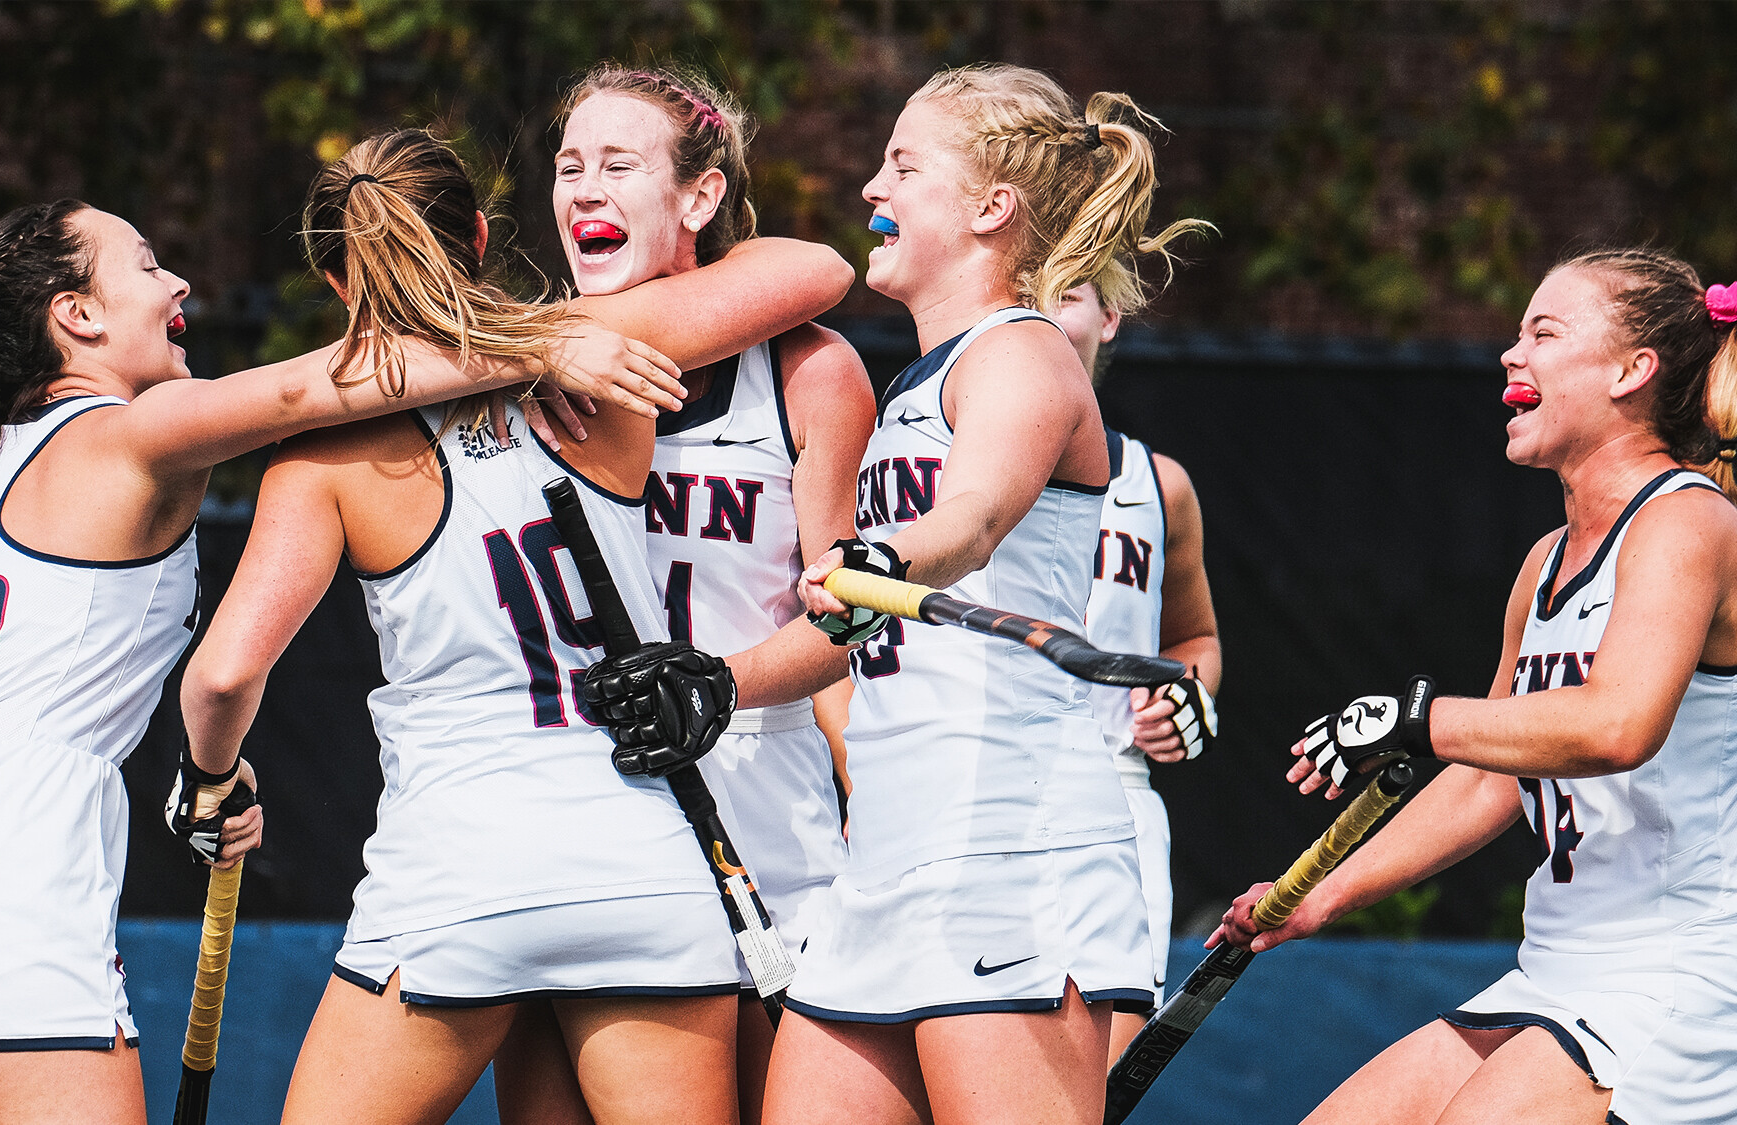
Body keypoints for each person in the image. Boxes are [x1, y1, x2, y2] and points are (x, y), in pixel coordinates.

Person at [0, 189, 682, 1124]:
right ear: (77, 317)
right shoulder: (128, 433)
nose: (180, 281)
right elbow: (307, 386)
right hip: (10, 872)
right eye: (149, 265)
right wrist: (538, 341)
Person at [176, 127, 852, 1125]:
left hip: (461, 871)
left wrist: (210, 778)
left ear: (329, 278)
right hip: (643, 865)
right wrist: (537, 334)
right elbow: (811, 270)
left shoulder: (318, 462)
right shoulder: (597, 363)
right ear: (483, 236)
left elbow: (224, 677)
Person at [1210, 249, 1737, 1125]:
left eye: (1545, 331)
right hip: (1560, 966)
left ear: (1632, 370)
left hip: (1683, 973)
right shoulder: (1546, 561)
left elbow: (1616, 725)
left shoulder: (1689, 522)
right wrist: (1324, 890)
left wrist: (1417, 719)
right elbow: (1491, 774)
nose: (1511, 352)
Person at [775, 65, 1208, 1124]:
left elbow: (968, 522)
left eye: (902, 165)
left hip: (1010, 847)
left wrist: (888, 564)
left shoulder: (1021, 353)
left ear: (988, 206)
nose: (871, 184)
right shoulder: (917, 380)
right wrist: (715, 681)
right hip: (885, 849)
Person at [491, 64, 875, 1125]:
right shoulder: (521, 358)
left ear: (698, 199)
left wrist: (718, 681)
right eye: (568, 168)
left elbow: (839, 616)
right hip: (579, 809)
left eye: (619, 165)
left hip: (760, 809)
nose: (582, 191)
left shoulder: (804, 371)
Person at [1051, 276, 1222, 1067]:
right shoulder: (926, 460)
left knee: (1101, 1080)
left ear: (1111, 316)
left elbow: (1195, 639)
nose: (1044, 310)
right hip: (963, 778)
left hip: (1112, 793)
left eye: (1070, 291)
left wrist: (1185, 695)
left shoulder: (1162, 484)